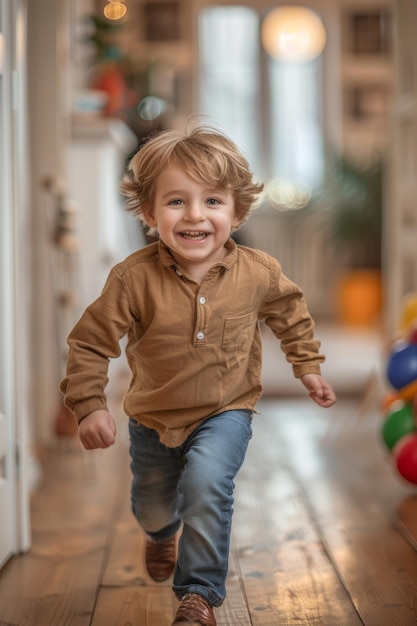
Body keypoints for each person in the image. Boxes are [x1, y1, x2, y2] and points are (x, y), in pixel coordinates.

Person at [60, 125, 336, 626]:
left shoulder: (260, 272)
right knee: (153, 504)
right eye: (176, 202)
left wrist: (308, 365)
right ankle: (161, 534)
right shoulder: (131, 278)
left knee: (209, 484)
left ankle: (199, 595)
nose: (195, 215)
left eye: (212, 200)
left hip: (225, 409)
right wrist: (90, 404)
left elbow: (290, 315)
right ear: (149, 213)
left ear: (237, 211)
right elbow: (89, 343)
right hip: (152, 417)